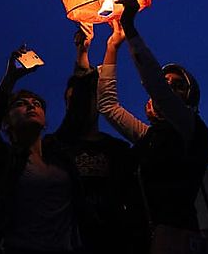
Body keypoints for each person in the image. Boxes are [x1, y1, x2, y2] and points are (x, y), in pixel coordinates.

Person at [97, 0, 208, 236]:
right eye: (167, 82)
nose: (169, 87)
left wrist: (129, 28)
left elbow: (156, 86)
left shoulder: (191, 128)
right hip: (143, 235)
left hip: (175, 235)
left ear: (190, 98)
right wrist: (112, 47)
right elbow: (108, 106)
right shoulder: (151, 137)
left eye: (178, 86)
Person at [0, 46, 83, 254]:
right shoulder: (7, 159)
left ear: (45, 121)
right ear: (7, 121)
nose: (31, 106)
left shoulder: (59, 153)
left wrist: (82, 53)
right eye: (21, 104)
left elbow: (78, 114)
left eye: (36, 104)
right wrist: (10, 78)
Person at [56, 24, 145, 254]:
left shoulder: (118, 150)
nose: (77, 106)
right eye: (71, 102)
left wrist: (97, 50)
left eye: (84, 100)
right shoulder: (56, 148)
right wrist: (81, 54)